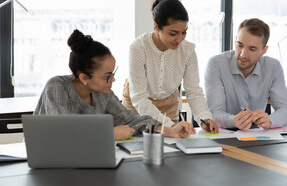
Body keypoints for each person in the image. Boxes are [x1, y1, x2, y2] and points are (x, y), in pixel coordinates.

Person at [34, 29, 195, 140]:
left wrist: (168, 130)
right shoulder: (56, 86)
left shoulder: (103, 92)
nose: (113, 80)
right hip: (50, 159)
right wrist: (109, 133)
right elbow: (66, 129)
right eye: (107, 76)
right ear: (84, 77)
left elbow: (130, 120)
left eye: (113, 74)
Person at [122, 0, 218, 133]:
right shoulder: (138, 48)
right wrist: (168, 126)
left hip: (168, 103)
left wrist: (204, 118)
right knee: (138, 144)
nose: (179, 39)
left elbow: (194, 91)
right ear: (156, 26)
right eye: (173, 33)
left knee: (172, 146)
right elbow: (139, 97)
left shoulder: (188, 50)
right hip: (137, 104)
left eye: (184, 32)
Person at [205, 18, 287, 130]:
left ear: (264, 50)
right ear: (235, 40)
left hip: (257, 136)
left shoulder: (273, 67)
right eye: (240, 45)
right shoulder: (216, 64)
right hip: (223, 135)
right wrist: (234, 121)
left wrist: (270, 120)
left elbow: (286, 110)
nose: (243, 54)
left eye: (252, 49)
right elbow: (214, 113)